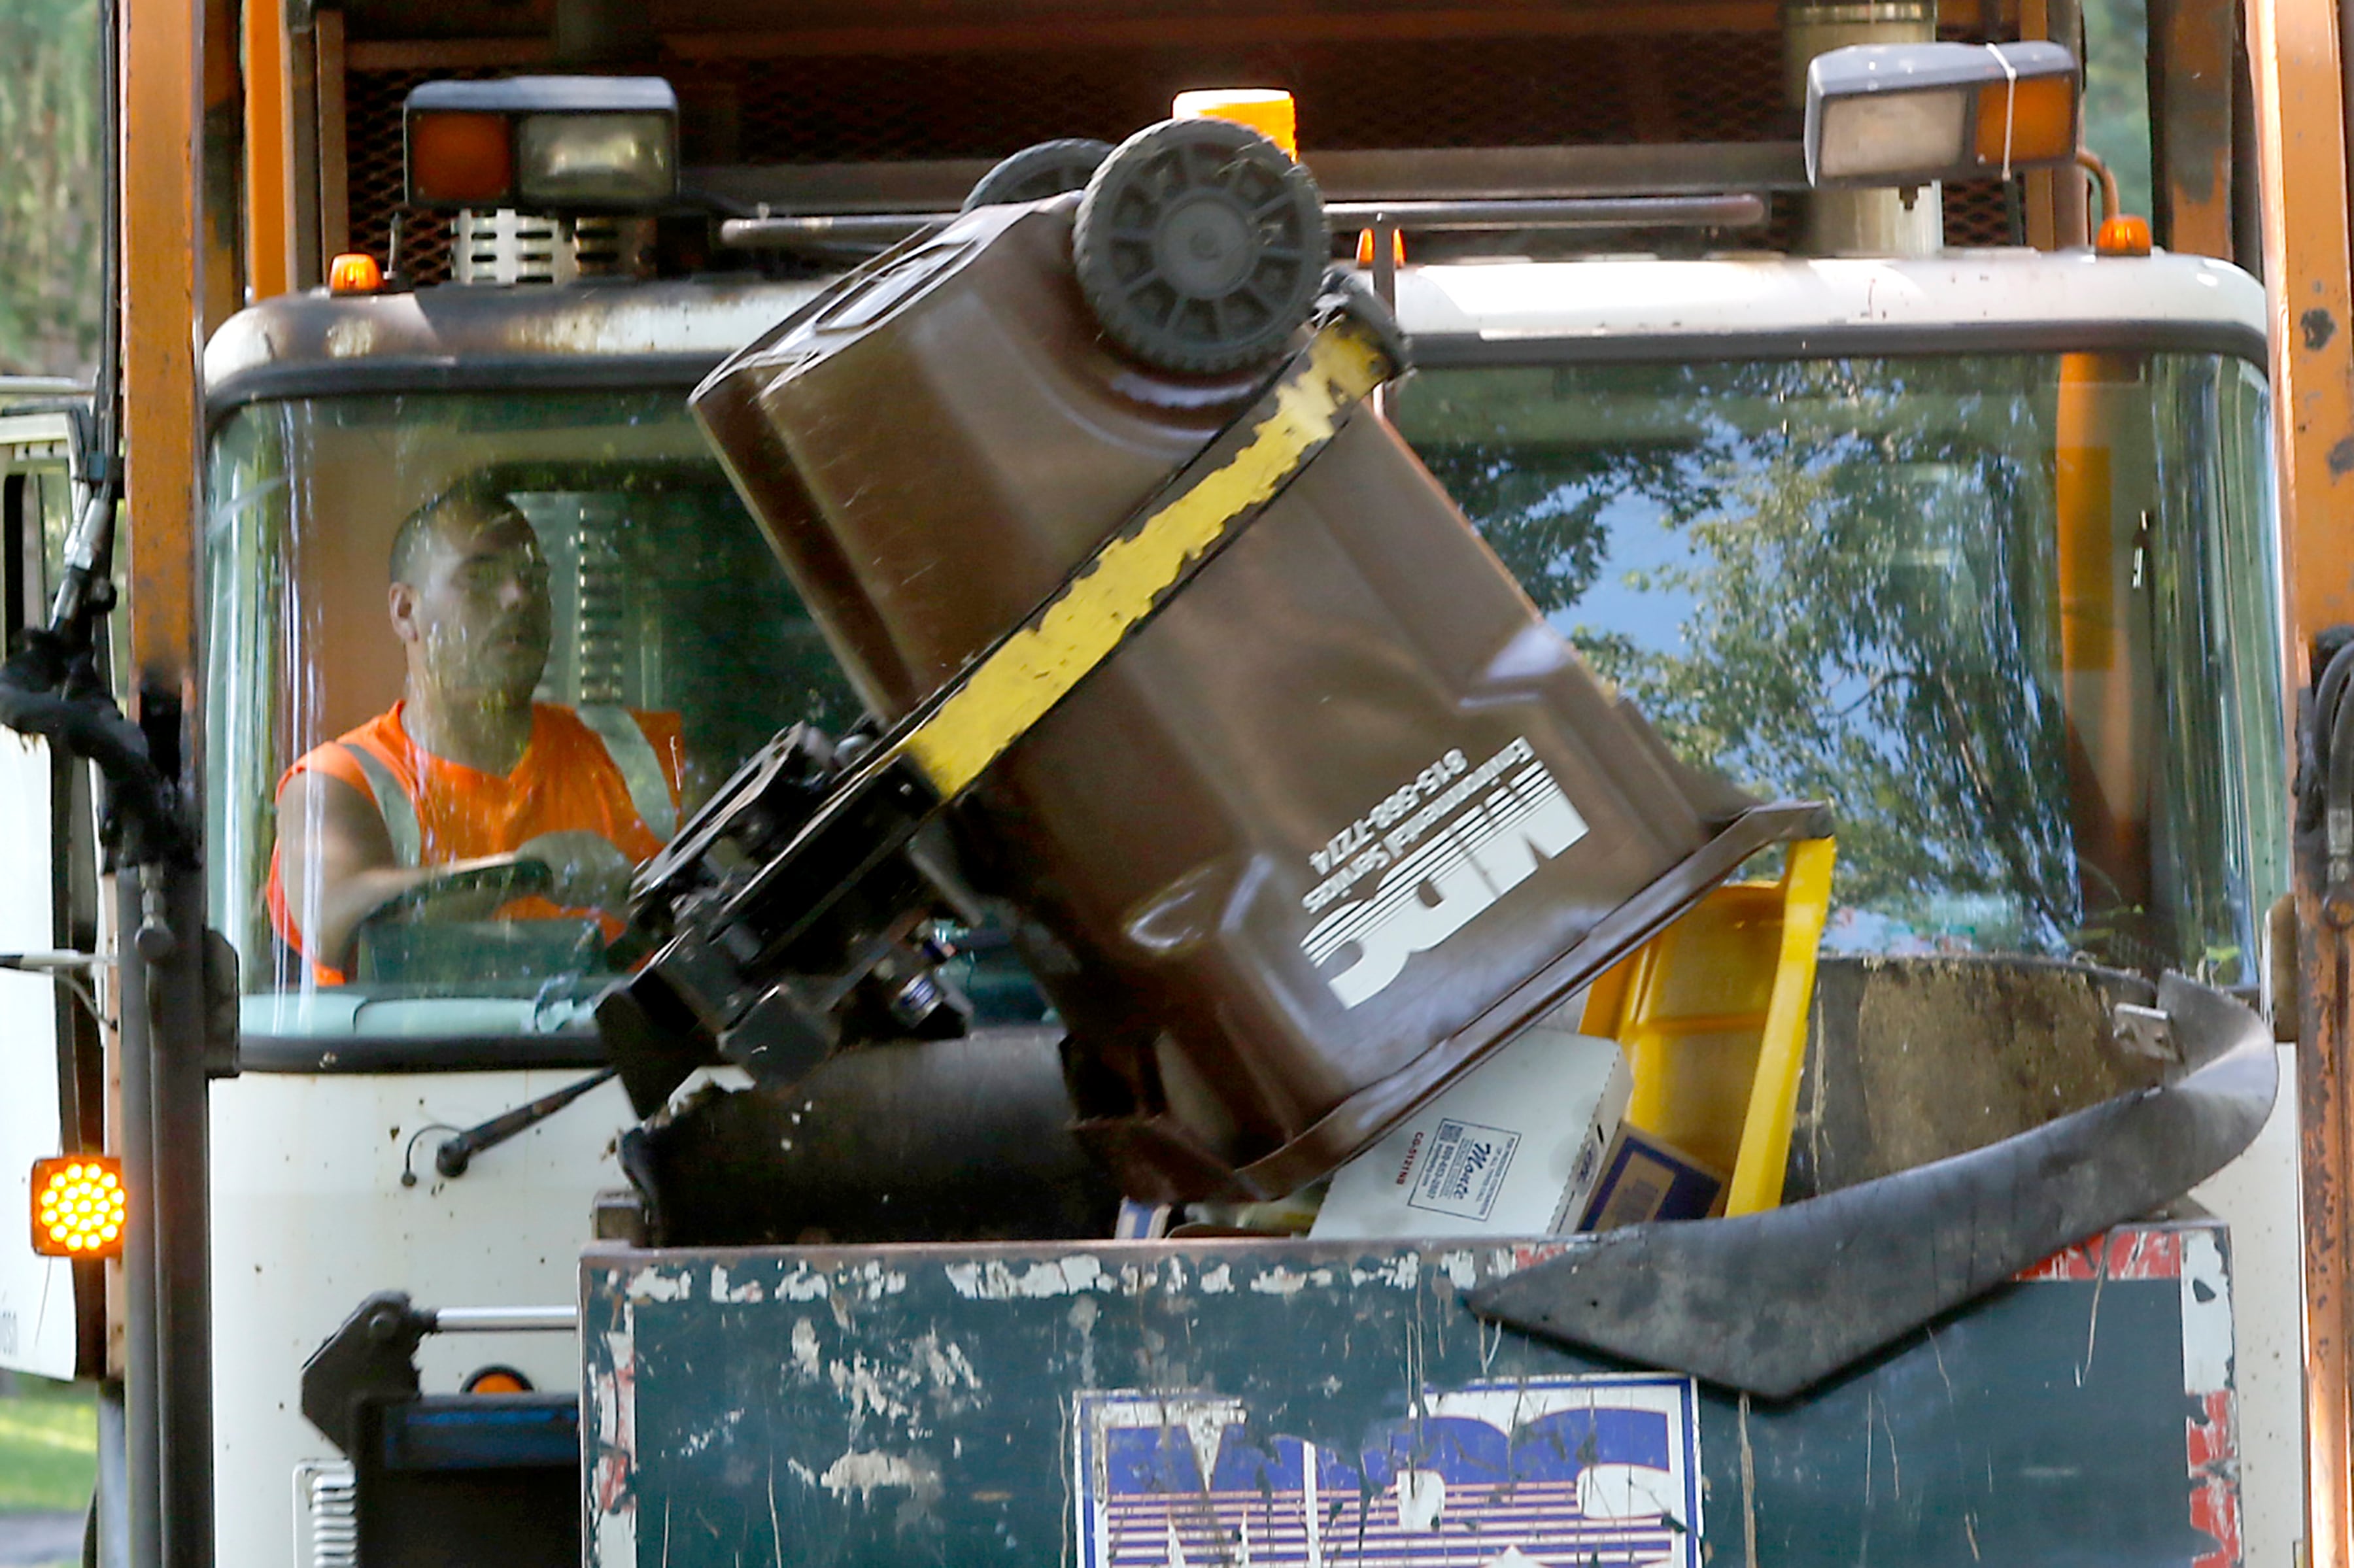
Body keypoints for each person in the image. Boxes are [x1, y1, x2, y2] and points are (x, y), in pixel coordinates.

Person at [268, 479, 683, 983]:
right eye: (481, 577)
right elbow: (334, 921)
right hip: (424, 1065)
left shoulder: (647, 754)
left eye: (534, 578)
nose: (518, 597)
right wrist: (527, 873)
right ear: (405, 612)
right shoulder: (340, 782)